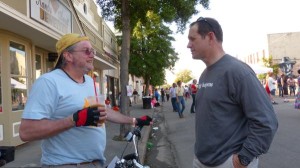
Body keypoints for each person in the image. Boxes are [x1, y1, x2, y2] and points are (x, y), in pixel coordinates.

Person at [19, 33, 152, 167]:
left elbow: (103, 111)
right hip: (66, 164)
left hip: (95, 163)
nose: (92, 55)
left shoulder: (89, 81)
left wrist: (134, 120)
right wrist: (73, 120)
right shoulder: (49, 82)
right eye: (86, 51)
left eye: (92, 51)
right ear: (68, 55)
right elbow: (26, 132)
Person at [187, 17, 278, 168]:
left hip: (228, 163)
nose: (188, 45)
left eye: (192, 39)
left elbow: (266, 121)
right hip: (201, 161)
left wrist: (243, 158)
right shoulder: (204, 74)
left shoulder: (237, 72)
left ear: (210, 37)